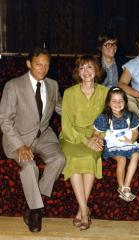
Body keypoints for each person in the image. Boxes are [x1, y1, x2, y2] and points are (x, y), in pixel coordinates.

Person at [0, 47, 65, 232]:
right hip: (18, 137)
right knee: (30, 167)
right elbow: (4, 120)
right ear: (29, 64)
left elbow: (62, 109)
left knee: (59, 159)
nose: (42, 69)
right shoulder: (13, 86)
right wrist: (20, 145)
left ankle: (31, 202)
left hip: (43, 135)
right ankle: (36, 211)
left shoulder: (52, 85)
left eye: (46, 65)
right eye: (38, 64)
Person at [60, 55, 109, 230]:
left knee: (89, 159)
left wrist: (97, 137)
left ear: (96, 70)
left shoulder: (105, 92)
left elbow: (107, 120)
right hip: (72, 137)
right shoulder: (69, 92)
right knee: (73, 160)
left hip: (96, 136)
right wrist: (85, 140)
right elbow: (66, 125)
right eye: (82, 68)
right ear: (77, 72)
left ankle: (81, 211)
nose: (86, 72)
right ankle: (84, 209)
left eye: (90, 67)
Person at [93, 87, 139, 202]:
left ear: (125, 102)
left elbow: (135, 132)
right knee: (122, 160)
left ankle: (126, 186)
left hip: (127, 143)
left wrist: (132, 140)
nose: (117, 104)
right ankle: (120, 187)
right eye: (114, 101)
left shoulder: (131, 116)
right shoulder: (104, 117)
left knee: (135, 155)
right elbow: (96, 133)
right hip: (113, 146)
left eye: (121, 101)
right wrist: (97, 139)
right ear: (108, 103)